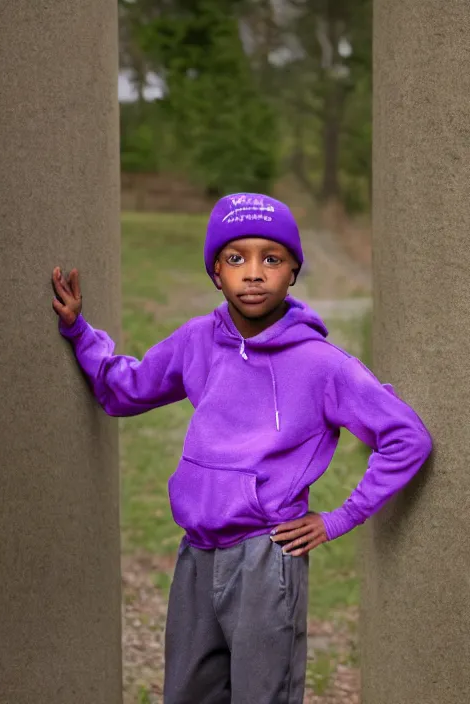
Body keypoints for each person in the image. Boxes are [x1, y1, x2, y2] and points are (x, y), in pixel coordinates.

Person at [51, 193, 432, 704]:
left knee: (262, 695)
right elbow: (126, 389)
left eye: (271, 259)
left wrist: (339, 518)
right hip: (197, 552)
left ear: (293, 270)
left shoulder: (322, 364)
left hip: (265, 556)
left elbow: (407, 438)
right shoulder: (196, 341)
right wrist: (78, 331)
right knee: (187, 692)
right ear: (215, 271)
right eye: (236, 258)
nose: (253, 273)